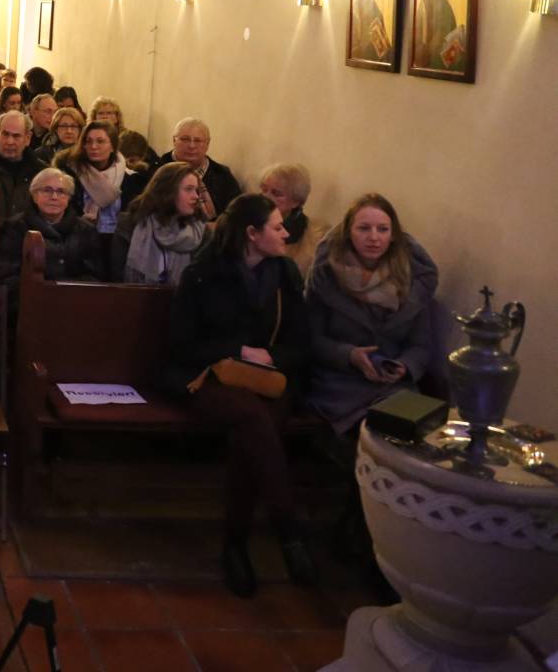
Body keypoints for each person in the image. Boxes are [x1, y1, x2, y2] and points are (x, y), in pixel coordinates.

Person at [165, 194, 314, 598]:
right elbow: (181, 344)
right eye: (278, 226)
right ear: (252, 234)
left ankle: (238, 546)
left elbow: (302, 343)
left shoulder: (285, 275)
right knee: (253, 421)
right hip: (210, 377)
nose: (287, 233)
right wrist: (236, 351)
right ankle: (284, 531)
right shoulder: (202, 275)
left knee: (255, 431)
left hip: (269, 380)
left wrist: (272, 356)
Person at [305, 193, 438, 436]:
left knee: (417, 442)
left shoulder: (412, 281)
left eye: (383, 229)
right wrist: (350, 355)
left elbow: (420, 345)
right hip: (340, 385)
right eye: (364, 229)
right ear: (348, 233)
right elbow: (311, 339)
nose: (374, 238)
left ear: (393, 236)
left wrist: (404, 367)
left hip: (393, 386)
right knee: (370, 437)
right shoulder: (327, 277)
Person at [0, 168, 104, 282]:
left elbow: (95, 276)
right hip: (30, 296)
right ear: (34, 195)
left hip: (74, 297)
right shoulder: (15, 227)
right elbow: (6, 275)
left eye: (61, 191)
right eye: (47, 190)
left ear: (69, 198)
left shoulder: (86, 230)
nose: (54, 197)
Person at [114, 162, 207, 284]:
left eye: (196, 190)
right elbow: (116, 277)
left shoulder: (200, 233)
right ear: (167, 191)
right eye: (188, 189)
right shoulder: (130, 225)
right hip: (135, 299)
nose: (196, 196)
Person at [56, 121, 127, 259]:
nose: (94, 147)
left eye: (100, 141)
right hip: (80, 240)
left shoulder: (129, 177)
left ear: (112, 146)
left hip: (117, 244)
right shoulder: (71, 173)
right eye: (88, 142)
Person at [158, 118, 242, 220]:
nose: (192, 146)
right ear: (174, 141)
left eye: (198, 140)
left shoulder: (222, 175)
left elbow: (237, 213)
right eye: (185, 139)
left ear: (207, 144)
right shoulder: (157, 172)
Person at [258, 163, 327, 280]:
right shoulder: (246, 223)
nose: (265, 197)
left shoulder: (316, 237)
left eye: (276, 193)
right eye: (264, 190)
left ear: (296, 201)